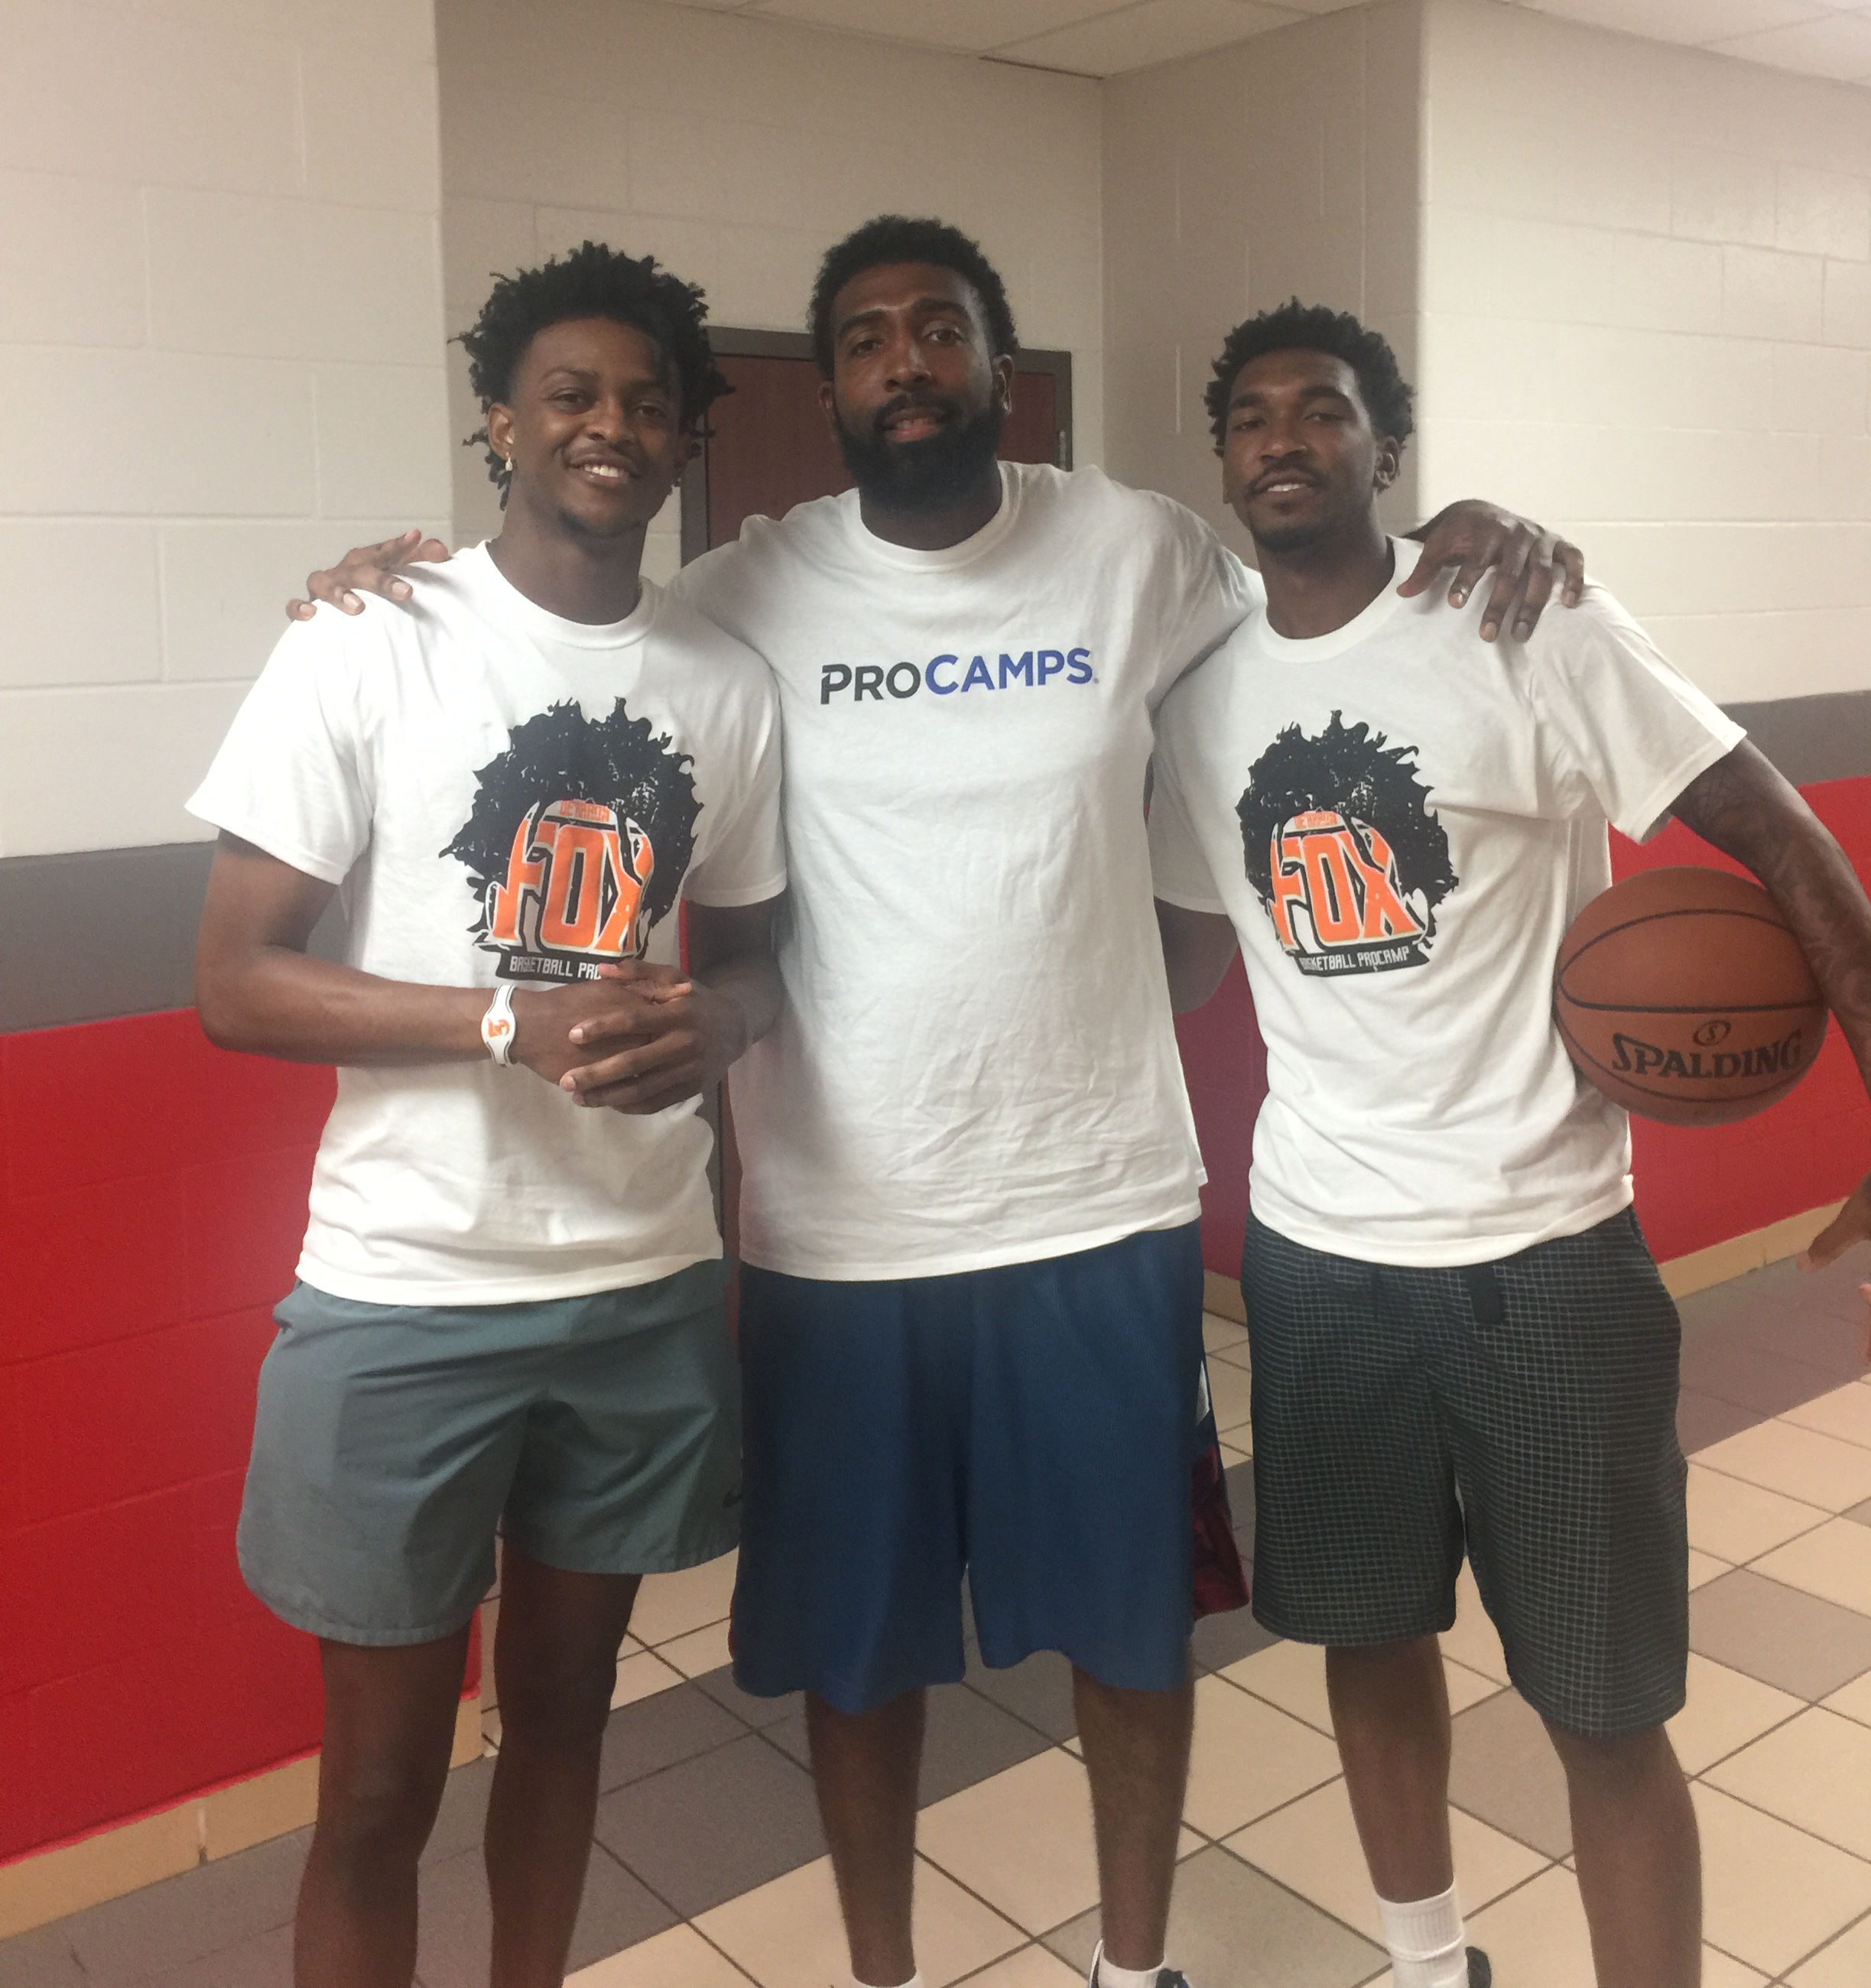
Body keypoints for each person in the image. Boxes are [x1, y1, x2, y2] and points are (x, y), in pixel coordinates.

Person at [294, 218, 1583, 1988]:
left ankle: (1137, 1968)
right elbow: (562, 620)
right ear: (823, 389)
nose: (908, 362)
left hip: (1100, 1207)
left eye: (942, 331)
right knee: (862, 1656)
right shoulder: (744, 591)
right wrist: (390, 570)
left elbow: (1325, 586)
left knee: (1130, 1635)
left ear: (996, 363)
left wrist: (1464, 532)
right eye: (869, 341)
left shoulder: (1135, 548)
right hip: (838, 1229)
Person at [1149, 300, 1871, 1988]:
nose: (1282, 439)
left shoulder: (1522, 618)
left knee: (1604, 1701)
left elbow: (1777, 831)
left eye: (1320, 411)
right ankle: (1426, 1960)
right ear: (1224, 463)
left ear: (1385, 452)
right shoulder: (1203, 697)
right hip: (1320, 1264)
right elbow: (1186, 951)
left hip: (1544, 1258)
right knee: (1366, 1635)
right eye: (1250, 417)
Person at [192, 245, 788, 1988]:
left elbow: (753, 969)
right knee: (378, 1789)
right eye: (572, 394)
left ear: (681, 439)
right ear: (500, 422)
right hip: (408, 1295)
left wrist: (720, 1028)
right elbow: (236, 979)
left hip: (639, 1284)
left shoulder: (725, 683)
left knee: (567, 1733)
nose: (610, 425)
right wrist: (504, 1017)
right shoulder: (370, 639)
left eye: (646, 401)